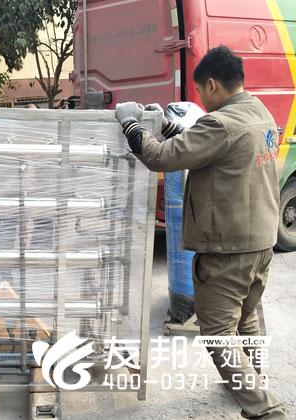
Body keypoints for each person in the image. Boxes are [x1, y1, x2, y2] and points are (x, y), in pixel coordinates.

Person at [115, 46, 288, 419]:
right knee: (247, 319)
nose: (201, 100)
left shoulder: (220, 123)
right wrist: (168, 128)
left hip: (228, 249)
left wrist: (131, 125)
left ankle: (265, 410)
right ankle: (250, 382)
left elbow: (161, 158)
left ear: (212, 85)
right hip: (261, 242)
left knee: (217, 332)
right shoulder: (259, 112)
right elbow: (212, 149)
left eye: (200, 92)